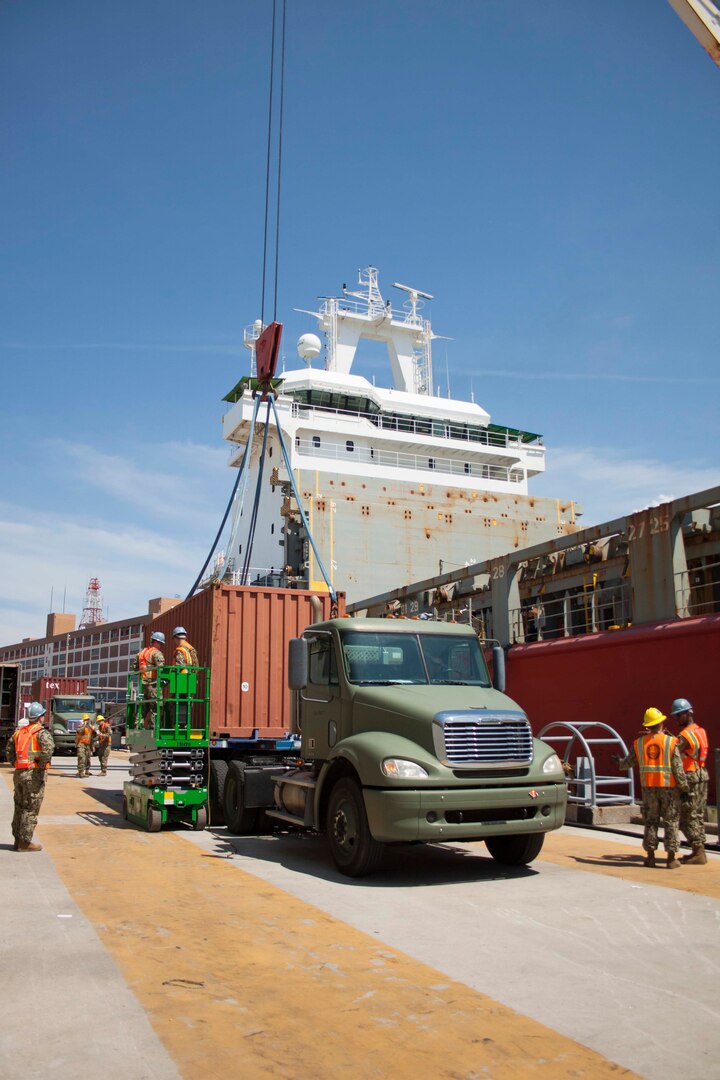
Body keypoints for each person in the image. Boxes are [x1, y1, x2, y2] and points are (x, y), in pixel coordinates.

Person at [618, 707, 689, 869]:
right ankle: (671, 859)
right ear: (661, 723)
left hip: (648, 788)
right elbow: (678, 769)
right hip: (669, 789)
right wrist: (684, 788)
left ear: (647, 726)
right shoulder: (671, 742)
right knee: (671, 822)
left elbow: (627, 763)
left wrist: (619, 763)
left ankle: (650, 857)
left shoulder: (639, 743)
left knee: (651, 821)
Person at [7, 701, 54, 852]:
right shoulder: (41, 732)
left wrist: (16, 763)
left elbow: (9, 751)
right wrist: (40, 766)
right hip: (33, 774)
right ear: (40, 717)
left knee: (19, 806)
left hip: (19, 773)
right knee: (31, 808)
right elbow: (49, 749)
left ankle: (17, 839)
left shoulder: (19, 733)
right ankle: (25, 842)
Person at [670, 697, 709, 865]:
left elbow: (674, 752)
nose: (676, 719)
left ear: (687, 714)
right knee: (697, 814)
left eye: (678, 716)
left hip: (690, 777)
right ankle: (698, 851)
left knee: (687, 816)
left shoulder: (685, 735)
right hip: (701, 775)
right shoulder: (700, 730)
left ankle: (698, 851)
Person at [134, 631, 166, 730]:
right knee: (156, 706)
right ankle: (153, 729)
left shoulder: (141, 653)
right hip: (153, 684)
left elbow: (135, 668)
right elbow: (161, 668)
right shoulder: (156, 653)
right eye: (160, 643)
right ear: (156, 642)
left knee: (143, 707)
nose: (161, 645)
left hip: (142, 684)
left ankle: (137, 726)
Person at [75, 713, 95, 777]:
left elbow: (92, 737)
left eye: (88, 720)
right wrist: (84, 725)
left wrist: (92, 746)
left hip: (88, 745)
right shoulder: (80, 727)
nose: (87, 721)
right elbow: (80, 731)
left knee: (87, 758)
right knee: (81, 758)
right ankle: (81, 772)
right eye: (85, 720)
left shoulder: (90, 728)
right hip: (81, 744)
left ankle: (87, 770)